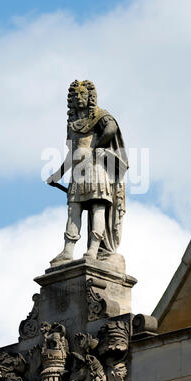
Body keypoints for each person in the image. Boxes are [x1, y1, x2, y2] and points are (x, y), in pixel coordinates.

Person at [47, 80, 128, 266]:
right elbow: (71, 154)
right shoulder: (73, 124)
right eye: (76, 96)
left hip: (96, 168)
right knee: (73, 210)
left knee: (97, 207)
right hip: (77, 172)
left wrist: (97, 147)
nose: (79, 99)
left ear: (90, 97)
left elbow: (111, 128)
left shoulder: (100, 115)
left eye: (83, 95)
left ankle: (93, 249)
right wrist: (57, 175)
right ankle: (68, 250)